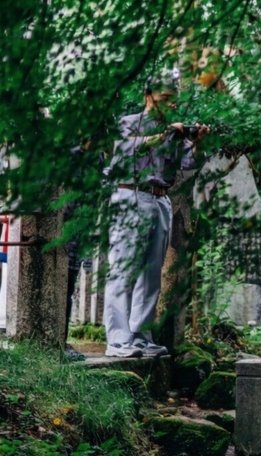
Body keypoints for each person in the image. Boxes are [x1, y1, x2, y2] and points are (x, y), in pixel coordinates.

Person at [101, 70, 208, 358]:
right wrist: (165, 134)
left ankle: (140, 335)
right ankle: (118, 339)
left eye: (173, 100)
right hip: (130, 195)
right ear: (148, 97)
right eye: (164, 99)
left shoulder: (174, 132)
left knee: (151, 273)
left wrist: (197, 142)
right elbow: (127, 151)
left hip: (161, 200)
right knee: (123, 268)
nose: (170, 105)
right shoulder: (128, 123)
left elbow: (189, 163)